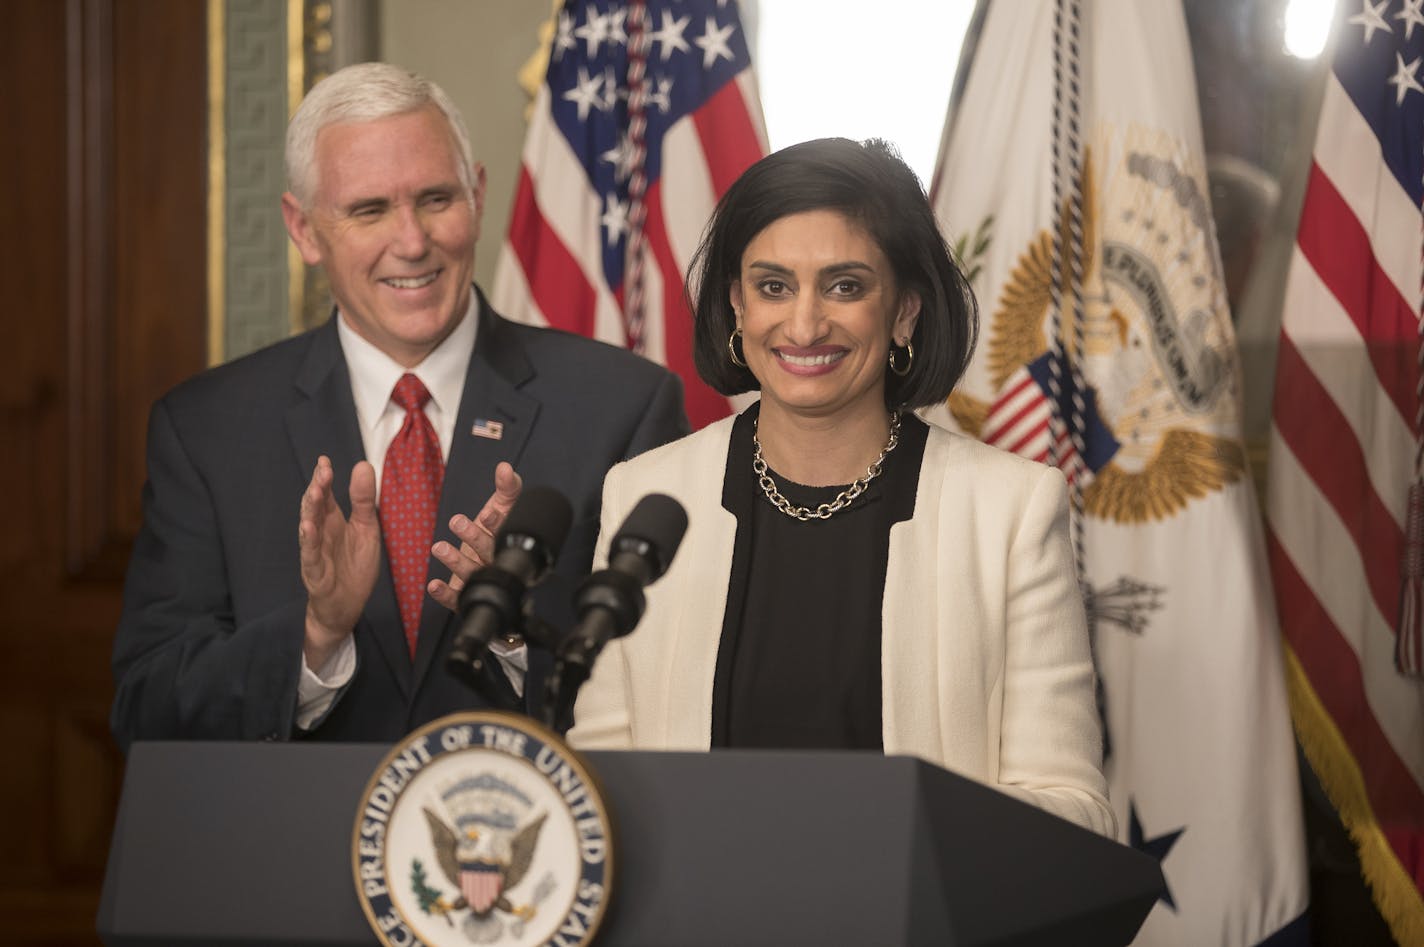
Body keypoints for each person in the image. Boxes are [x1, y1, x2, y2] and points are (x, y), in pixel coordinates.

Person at [110, 63, 687, 751]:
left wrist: (512, 627)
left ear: (476, 195)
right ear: (304, 229)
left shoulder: (623, 406)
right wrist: (316, 636)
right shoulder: (206, 430)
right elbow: (148, 708)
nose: (412, 242)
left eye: (436, 198)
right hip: (294, 849)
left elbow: (671, 692)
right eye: (369, 209)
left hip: (534, 840)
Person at [568, 138, 1114, 835]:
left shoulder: (1008, 510)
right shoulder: (647, 495)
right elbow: (600, 789)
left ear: (906, 312)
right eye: (773, 286)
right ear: (737, 304)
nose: (803, 323)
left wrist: (887, 833)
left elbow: (1075, 812)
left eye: (845, 286)